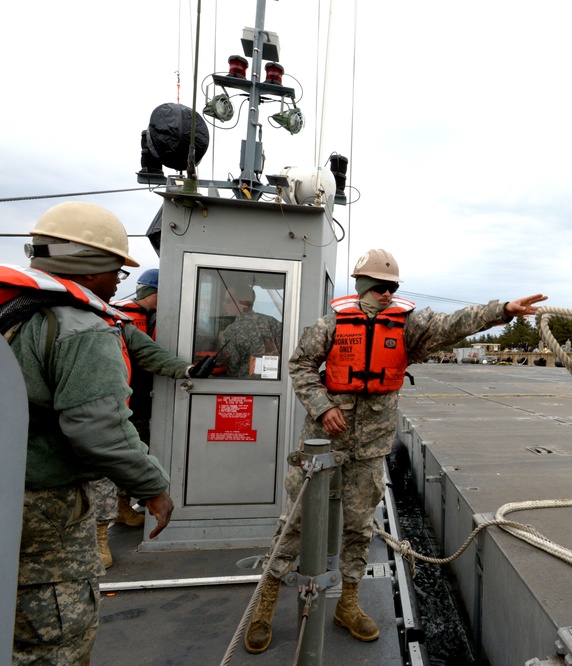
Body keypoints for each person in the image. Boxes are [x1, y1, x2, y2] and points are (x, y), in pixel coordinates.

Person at [244, 248, 546, 653]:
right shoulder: (329, 324)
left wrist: (503, 310)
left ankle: (348, 602)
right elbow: (300, 366)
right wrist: (323, 406)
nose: (387, 294)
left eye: (392, 288)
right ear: (362, 287)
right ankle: (266, 601)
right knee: (295, 521)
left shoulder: (407, 327)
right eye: (380, 288)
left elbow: (455, 323)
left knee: (359, 524)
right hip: (322, 440)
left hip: (370, 444)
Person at [0, 201, 175, 664]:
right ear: (89, 265)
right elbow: (99, 430)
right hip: (42, 510)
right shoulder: (80, 326)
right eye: (115, 270)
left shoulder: (16, 310)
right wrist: (153, 485)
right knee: (54, 638)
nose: (118, 281)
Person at [82, 268, 193, 569]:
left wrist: (187, 370)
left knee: (128, 457)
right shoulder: (108, 319)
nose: (119, 282)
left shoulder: (121, 322)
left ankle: (121, 509)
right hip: (98, 408)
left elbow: (151, 354)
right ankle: (99, 538)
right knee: (102, 470)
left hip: (136, 404)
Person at [215, 280, 282, 378]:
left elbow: (231, 367)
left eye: (228, 300)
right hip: (276, 384)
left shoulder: (233, 330)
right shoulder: (273, 322)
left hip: (246, 386)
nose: (224, 304)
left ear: (243, 302)